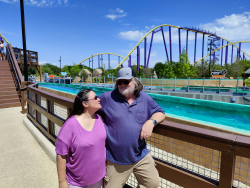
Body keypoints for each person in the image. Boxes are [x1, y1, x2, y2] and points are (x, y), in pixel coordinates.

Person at [98, 67, 166, 188]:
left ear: (135, 81)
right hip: (116, 159)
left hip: (140, 155)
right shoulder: (107, 98)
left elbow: (160, 112)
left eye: (126, 81)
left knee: (153, 184)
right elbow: (88, 108)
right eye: (120, 82)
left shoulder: (144, 98)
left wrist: (151, 122)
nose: (122, 84)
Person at [56, 89, 106, 188]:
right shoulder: (71, 125)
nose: (99, 99)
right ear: (85, 104)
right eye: (95, 98)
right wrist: (62, 182)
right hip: (77, 183)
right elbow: (61, 154)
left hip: (98, 179)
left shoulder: (99, 118)